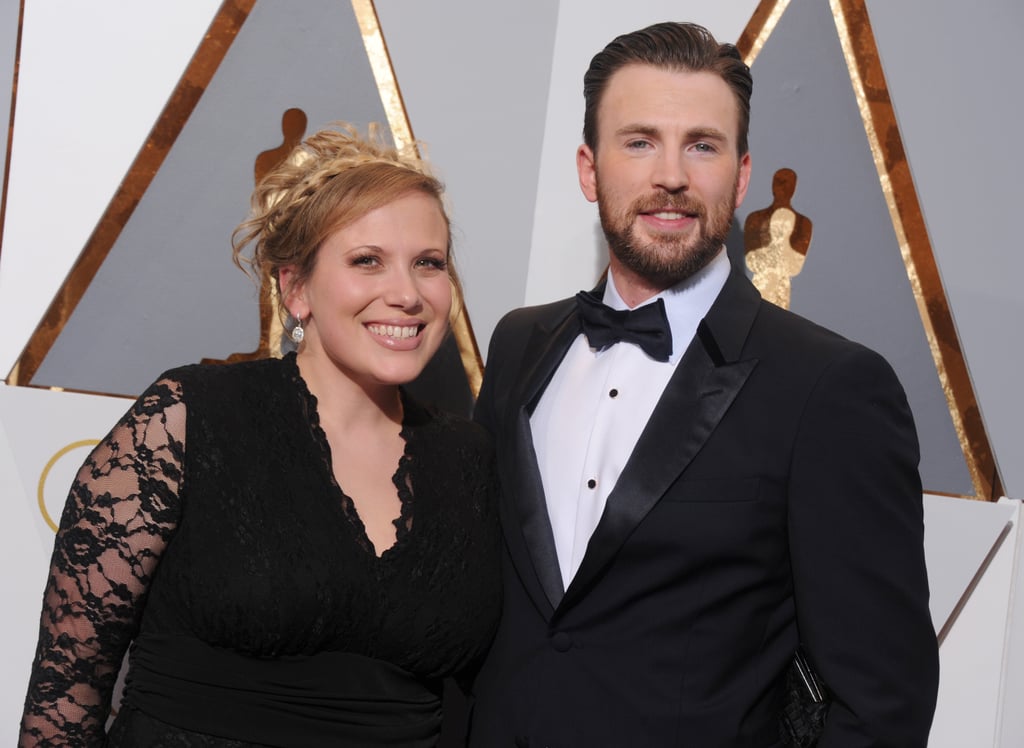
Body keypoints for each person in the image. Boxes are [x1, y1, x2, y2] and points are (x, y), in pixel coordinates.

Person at [469, 21, 938, 747]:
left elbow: (880, 701)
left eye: (702, 145)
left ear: (742, 174)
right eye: (639, 141)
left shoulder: (831, 388)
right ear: (589, 170)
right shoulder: (519, 344)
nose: (671, 176)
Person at [20, 124, 501, 747]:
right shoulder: (191, 418)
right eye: (367, 261)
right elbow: (65, 699)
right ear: (295, 288)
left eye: (429, 264)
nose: (406, 294)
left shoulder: (468, 458)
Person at [744, 167, 813, 309]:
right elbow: (752, 261)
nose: (782, 187)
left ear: (794, 187)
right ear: (773, 185)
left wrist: (782, 240)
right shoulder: (755, 219)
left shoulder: (803, 223)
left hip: (782, 292)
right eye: (779, 182)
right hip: (759, 288)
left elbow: (794, 267)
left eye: (787, 183)